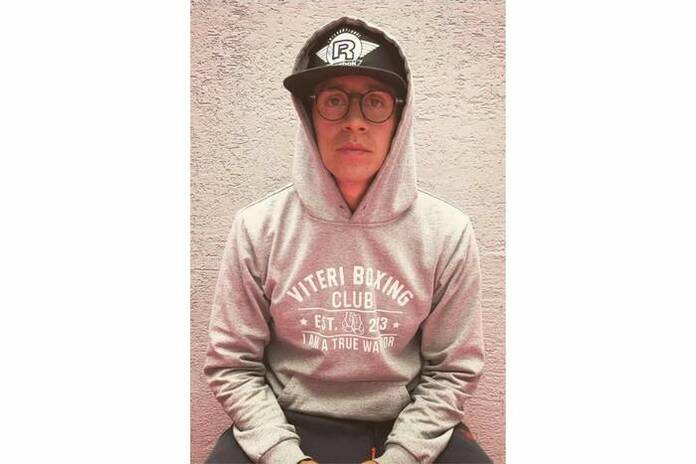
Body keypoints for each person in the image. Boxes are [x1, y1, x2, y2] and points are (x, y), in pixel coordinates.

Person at [204, 17, 492, 464]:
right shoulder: (258, 228)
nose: (354, 122)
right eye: (334, 101)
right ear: (308, 114)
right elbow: (232, 364)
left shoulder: (446, 232)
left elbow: (453, 369)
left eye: (375, 102)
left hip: (404, 420)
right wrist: (285, 456)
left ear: (399, 118)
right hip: (288, 419)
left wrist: (401, 456)